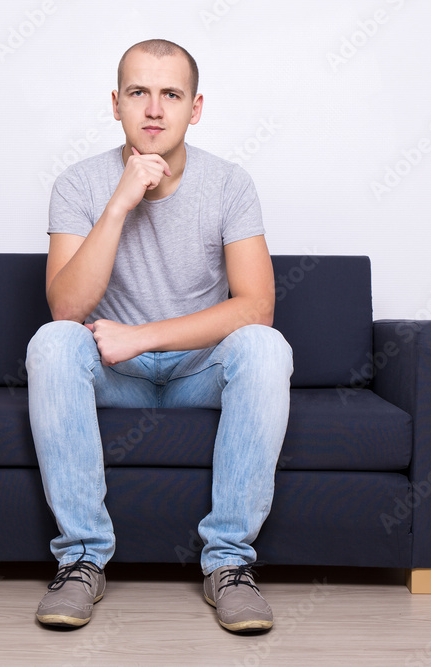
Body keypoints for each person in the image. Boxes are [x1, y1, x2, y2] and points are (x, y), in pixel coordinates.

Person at [27, 38, 293, 633]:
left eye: (170, 94)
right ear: (115, 104)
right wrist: (120, 203)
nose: (153, 109)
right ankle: (81, 560)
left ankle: (228, 565)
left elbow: (257, 308)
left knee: (266, 348)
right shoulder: (79, 183)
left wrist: (143, 336)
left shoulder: (228, 184)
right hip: (113, 374)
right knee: (50, 341)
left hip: (195, 375)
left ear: (194, 108)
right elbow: (67, 306)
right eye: (138, 93)